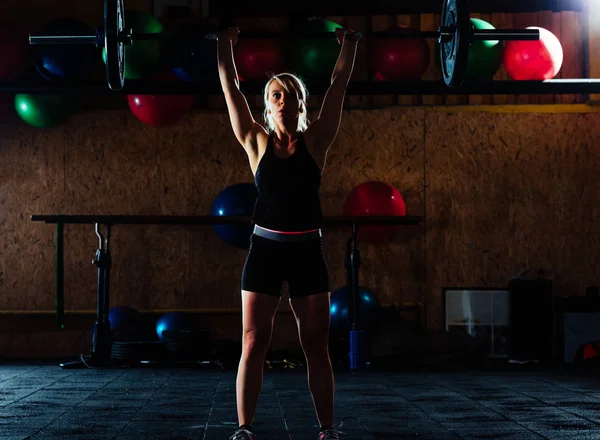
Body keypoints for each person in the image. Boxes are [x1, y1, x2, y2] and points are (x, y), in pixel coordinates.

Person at [217, 23, 360, 440]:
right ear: (267, 105)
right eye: (276, 94)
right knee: (252, 342)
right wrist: (225, 45)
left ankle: (327, 430)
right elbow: (230, 88)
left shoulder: (317, 141)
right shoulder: (254, 142)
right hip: (264, 250)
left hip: (306, 254)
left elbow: (339, 85)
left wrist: (349, 46)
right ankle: (244, 430)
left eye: (291, 94)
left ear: (302, 103)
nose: (284, 100)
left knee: (316, 345)